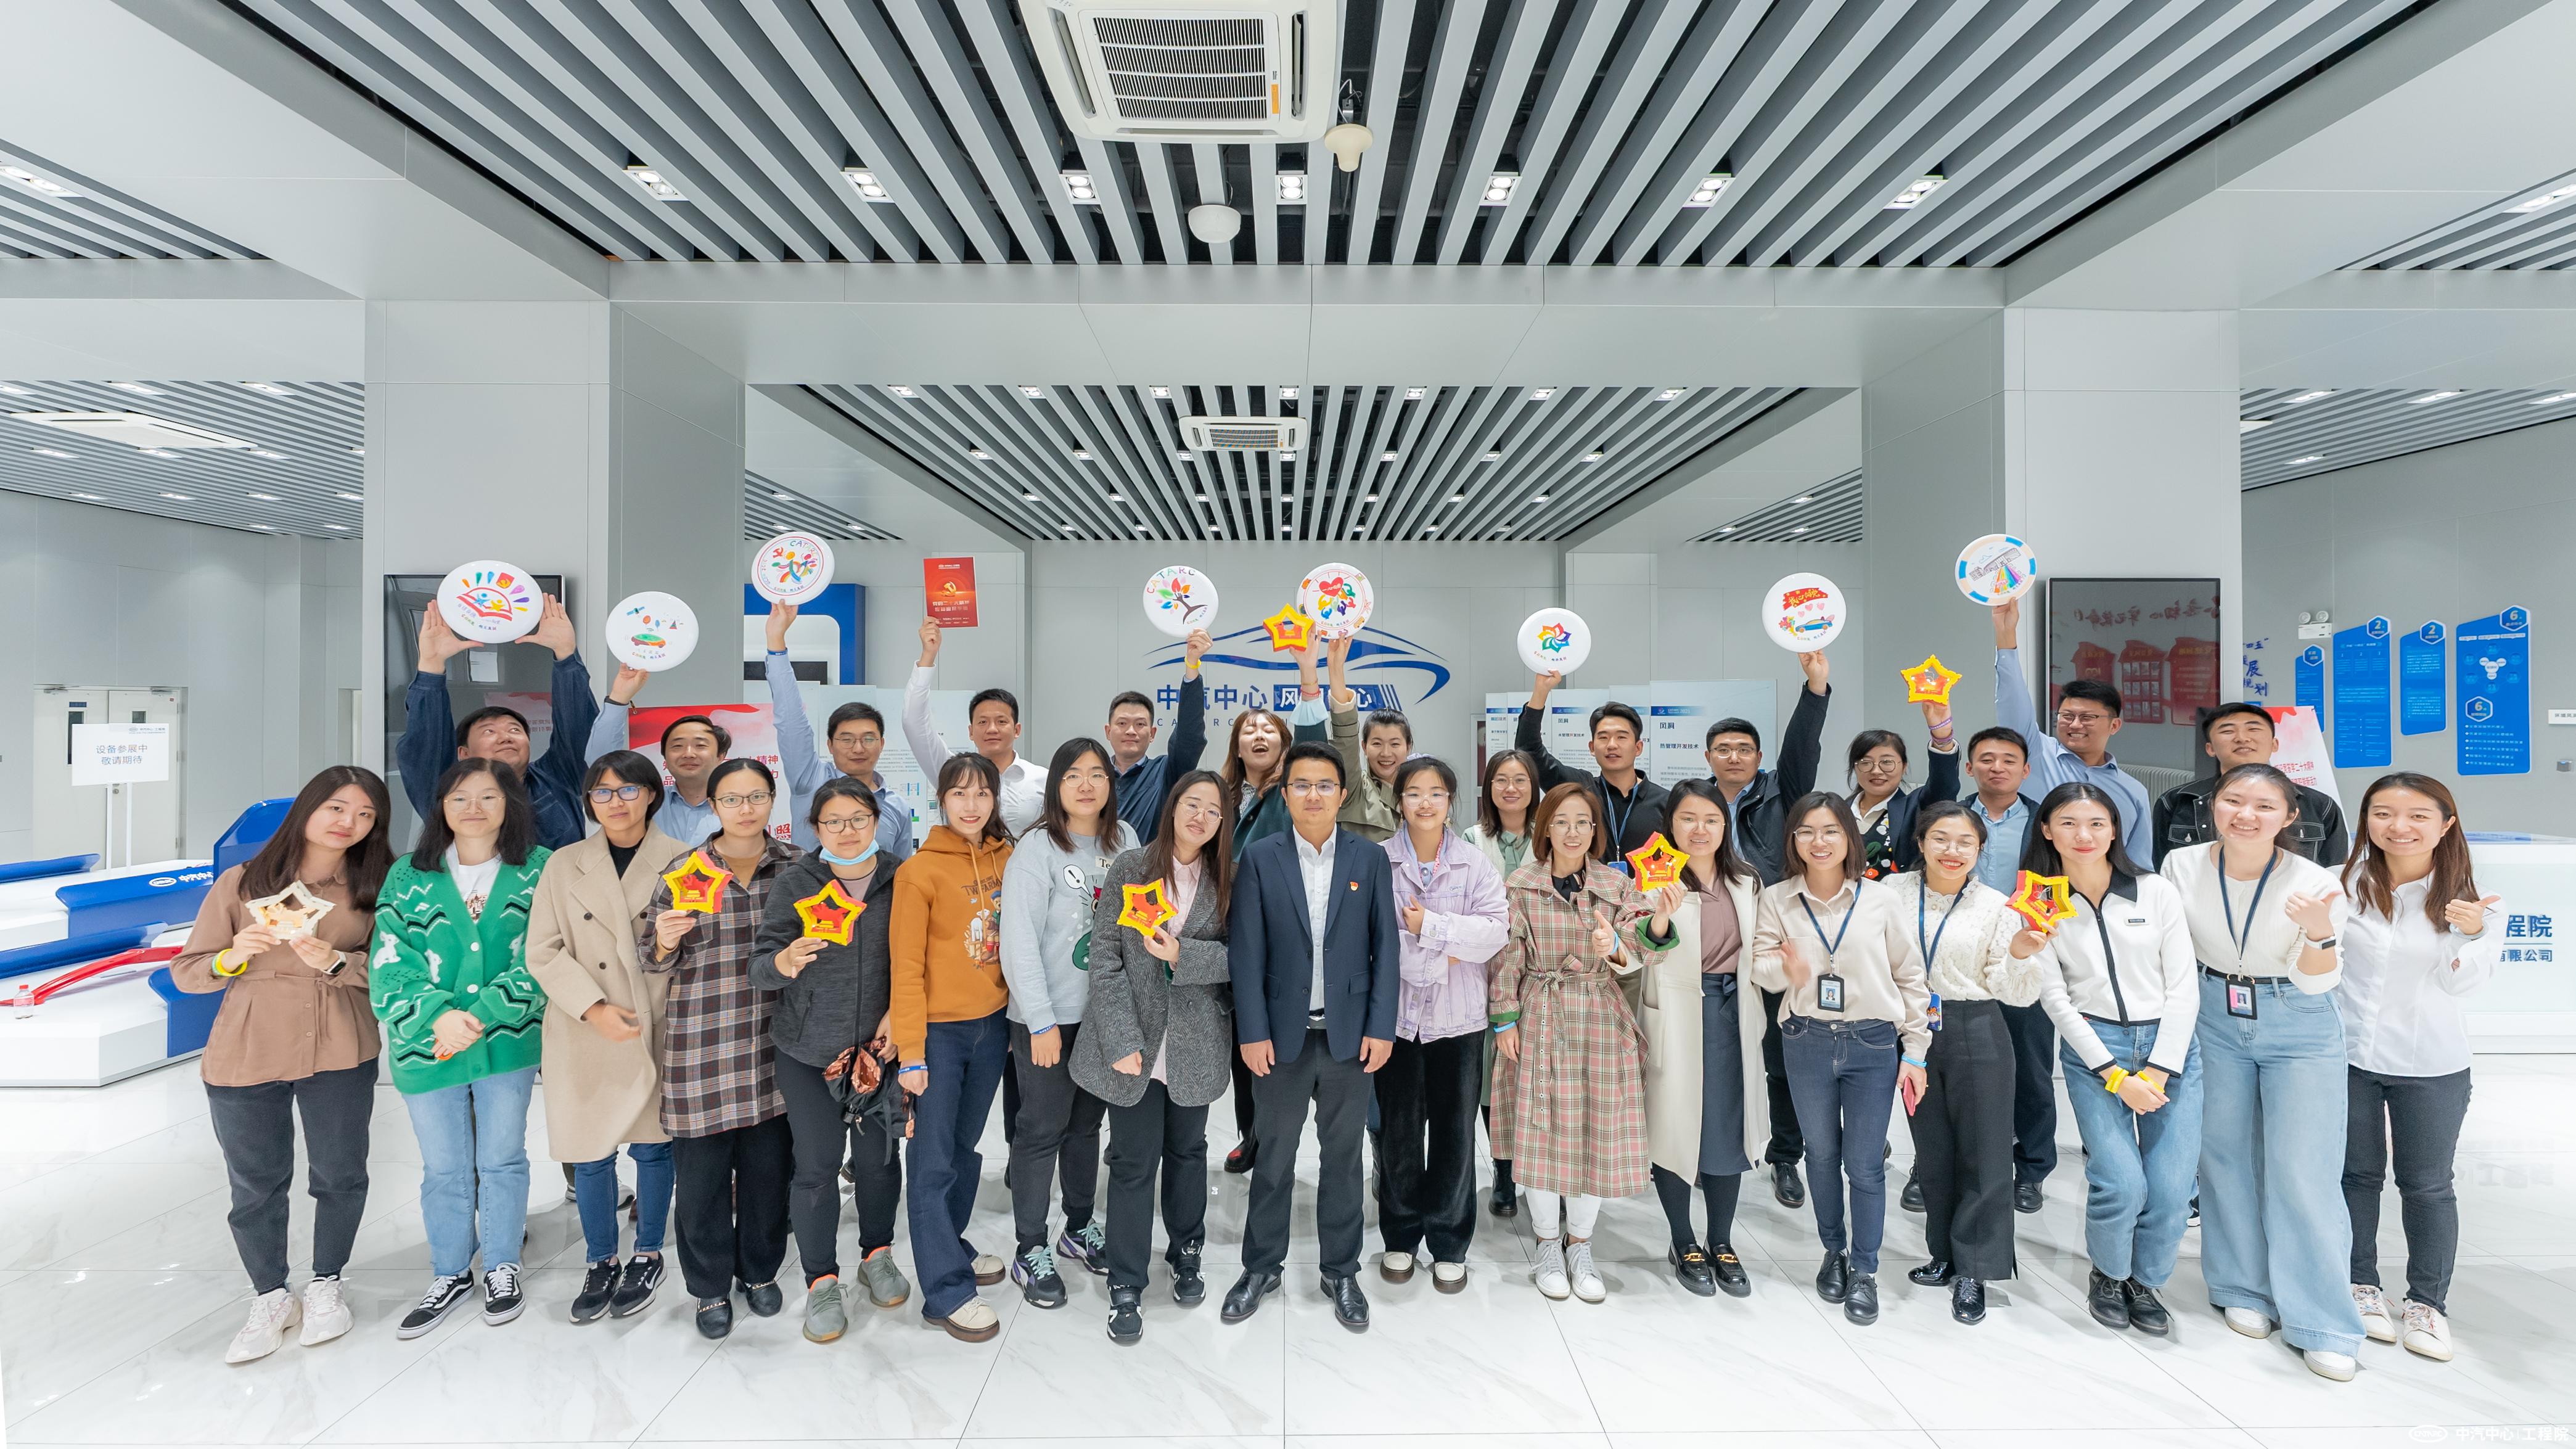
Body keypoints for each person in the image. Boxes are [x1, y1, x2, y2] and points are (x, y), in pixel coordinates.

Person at [174, 766, 392, 1365]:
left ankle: (327, 1283)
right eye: (337, 807)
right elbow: (187, 972)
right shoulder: (242, 883)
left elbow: (393, 971)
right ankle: (271, 1294)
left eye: (366, 814)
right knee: (255, 1184)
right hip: (247, 1049)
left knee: (340, 1173)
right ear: (308, 809)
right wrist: (230, 958)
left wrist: (338, 962)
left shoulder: (378, 886)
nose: (349, 822)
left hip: (341, 1045)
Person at [2162, 762, 2364, 1380]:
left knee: (2302, 1169)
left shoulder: (2317, 883)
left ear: (2289, 816)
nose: (2245, 815)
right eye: (2233, 801)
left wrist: (2318, 935)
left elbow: (2317, 981)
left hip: (2296, 1017)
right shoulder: (2180, 866)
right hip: (2212, 1013)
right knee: (2223, 1157)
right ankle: (2241, 1286)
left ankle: (2321, 1320)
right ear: (2213, 805)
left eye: (2263, 806)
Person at [1222, 741, 1400, 1331]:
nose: (1314, 795)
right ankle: (1260, 1267)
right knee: (1274, 1156)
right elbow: (1246, 953)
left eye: (1325, 785)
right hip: (1280, 1038)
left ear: (1342, 794)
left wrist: (1381, 1027)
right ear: (1285, 793)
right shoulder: (1261, 857)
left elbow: (1386, 949)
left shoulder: (1369, 859)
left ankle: (1341, 1270)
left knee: (1343, 1160)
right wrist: (1252, 1032)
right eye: (1302, 785)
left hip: (1350, 1038)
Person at [370, 758, 551, 1339]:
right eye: (460, 798)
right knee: (444, 1167)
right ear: (441, 807)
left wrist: (482, 1014)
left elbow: (548, 954)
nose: (474, 808)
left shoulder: (540, 869)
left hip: (508, 1043)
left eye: (489, 797)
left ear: (510, 805)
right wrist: (438, 1017)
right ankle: (449, 1272)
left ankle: (501, 1265)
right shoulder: (408, 875)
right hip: (427, 1047)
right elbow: (389, 959)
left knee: (503, 1159)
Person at [2022, 781, 2199, 1339]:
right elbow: (2055, 999)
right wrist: (2115, 1075)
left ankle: (2146, 1282)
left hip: (2171, 1048)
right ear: (2047, 830)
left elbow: (2184, 987)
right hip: (2095, 1049)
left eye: (2097, 823)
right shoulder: (2039, 902)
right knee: (2120, 1181)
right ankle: (2110, 1273)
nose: (2084, 835)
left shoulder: (2154, 891)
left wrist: (2160, 1069)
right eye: (2068, 823)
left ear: (2115, 829)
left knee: (2171, 1189)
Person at [1748, 792, 1930, 1327]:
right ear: (1793, 840)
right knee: (1821, 1155)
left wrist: (1916, 1051)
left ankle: (1866, 1269)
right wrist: (1787, 971)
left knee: (1865, 1163)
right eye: (1807, 831)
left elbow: (1911, 977)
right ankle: (1835, 1251)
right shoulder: (1777, 898)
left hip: (1873, 1041)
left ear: (1849, 838)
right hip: (1805, 1038)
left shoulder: (1881, 900)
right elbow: (1760, 967)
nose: (1819, 841)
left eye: (1830, 830)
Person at [1069, 770, 1237, 1344]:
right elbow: (1106, 958)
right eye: (1192, 804)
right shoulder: (1132, 867)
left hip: (1196, 1042)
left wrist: (1182, 954)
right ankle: (1126, 1281)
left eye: (1213, 810)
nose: (1200, 817)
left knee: (1189, 1153)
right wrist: (1120, 1041)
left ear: (1222, 822)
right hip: (1135, 1046)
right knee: (1133, 1162)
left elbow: (1240, 958)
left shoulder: (1228, 878)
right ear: (1173, 807)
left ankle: (1187, 1254)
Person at [1491, 782, 1676, 1303]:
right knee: (1541, 1132)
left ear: (1595, 830)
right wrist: (1505, 1022)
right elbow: (1506, 958)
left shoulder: (1616, 885)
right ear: (1545, 828)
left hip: (1599, 1016)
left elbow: (1646, 948)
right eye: (1562, 822)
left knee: (1597, 1131)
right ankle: (1548, 1244)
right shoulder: (1520, 885)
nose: (1572, 832)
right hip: (1540, 1015)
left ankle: (1581, 1245)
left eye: (1583, 822)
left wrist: (1624, 937)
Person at [2337, 772, 2497, 1365]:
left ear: (2446, 825)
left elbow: (2462, 987)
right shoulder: (2340, 886)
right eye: (2383, 813)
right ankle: (2360, 1285)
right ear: (2366, 820)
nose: (2398, 827)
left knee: (2427, 1185)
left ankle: (2428, 1303)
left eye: (2418, 816)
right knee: (2355, 1177)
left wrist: (2468, 934)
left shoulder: (2476, 902)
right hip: (2348, 1057)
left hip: (2432, 1062)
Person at [523, 752, 687, 1326]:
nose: (615, 802)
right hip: (583, 1023)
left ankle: (647, 1254)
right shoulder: (563, 863)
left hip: (654, 1018)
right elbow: (542, 950)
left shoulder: (685, 860)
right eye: (602, 792)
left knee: (653, 1146)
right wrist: (594, 1008)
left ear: (652, 794)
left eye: (628, 790)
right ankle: (600, 1259)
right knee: (590, 1150)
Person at [642, 757, 798, 1341]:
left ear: (772, 800)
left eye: (756, 796)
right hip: (702, 1047)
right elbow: (651, 957)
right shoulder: (685, 871)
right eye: (731, 799)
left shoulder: (798, 868)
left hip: (774, 1044)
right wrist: (663, 939)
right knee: (701, 1182)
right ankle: (708, 1287)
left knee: (768, 1173)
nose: (745, 809)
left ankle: (759, 1271)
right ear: (713, 806)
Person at [752, 777, 913, 1343]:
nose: (847, 831)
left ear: (877, 821)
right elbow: (760, 965)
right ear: (815, 828)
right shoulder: (797, 882)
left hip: (879, 1052)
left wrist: (899, 1014)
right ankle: (821, 1280)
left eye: (858, 819)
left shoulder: (901, 878)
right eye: (833, 822)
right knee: (817, 1166)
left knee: (879, 1161)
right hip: (808, 1052)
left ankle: (878, 1254)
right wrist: (785, 961)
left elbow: (918, 960)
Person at [1885, 802, 2046, 1324]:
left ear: (1980, 850)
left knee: (1985, 1152)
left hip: (1976, 1027)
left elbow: (2015, 992)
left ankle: (1975, 1268)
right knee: (1932, 1151)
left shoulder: (1997, 906)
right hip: (1910, 1030)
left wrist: (2020, 952)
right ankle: (1944, 1253)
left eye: (1965, 843)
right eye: (1940, 839)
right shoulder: (1890, 894)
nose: (1951, 851)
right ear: (1921, 842)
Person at [999, 738, 1139, 1307]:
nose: (1086, 785)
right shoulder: (1037, 848)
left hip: (1104, 1018)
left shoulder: (1125, 840)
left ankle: (1079, 1227)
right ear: (1056, 785)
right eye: (1073, 774)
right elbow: (1018, 943)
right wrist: (1039, 1022)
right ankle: (1030, 1246)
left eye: (1097, 774)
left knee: (1085, 1128)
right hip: (1048, 1019)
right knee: (1041, 1130)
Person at [891, 753, 1018, 1342]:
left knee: (965, 1149)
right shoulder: (919, 872)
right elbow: (905, 969)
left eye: (982, 793)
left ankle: (951, 1243)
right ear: (941, 799)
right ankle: (944, 1292)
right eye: (960, 793)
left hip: (992, 1027)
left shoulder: (1007, 857)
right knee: (932, 1159)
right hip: (939, 1035)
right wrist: (911, 1052)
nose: (972, 805)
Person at [1700, 651, 1831, 1212]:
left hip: (1775, 937)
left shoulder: (1783, 791)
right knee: (1716, 1056)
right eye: (1723, 748)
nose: (1734, 756)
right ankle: (1711, 1150)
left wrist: (1815, 686)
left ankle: (1784, 1156)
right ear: (1708, 756)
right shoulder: (1694, 801)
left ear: (1758, 757)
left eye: (1744, 749)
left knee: (1781, 1057)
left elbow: (1804, 744)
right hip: (1713, 944)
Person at [1376, 756, 1508, 1291]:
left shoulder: (1475, 864)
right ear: (1399, 802)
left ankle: (1450, 1242)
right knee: (1399, 1136)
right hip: (1398, 1023)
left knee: (1455, 1136)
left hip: (1459, 1023)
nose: (1425, 802)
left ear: (1451, 802)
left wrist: (1429, 925)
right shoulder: (1379, 861)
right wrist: (1448, 951)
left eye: (1436, 792)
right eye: (1414, 792)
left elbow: (1495, 933)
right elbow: (1379, 944)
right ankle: (1401, 1236)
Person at [1638, 779, 1765, 1300]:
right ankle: (1683, 1240)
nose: (1700, 829)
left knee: (1727, 1128)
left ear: (1724, 825)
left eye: (1711, 820)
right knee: (1674, 1124)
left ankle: (1722, 1240)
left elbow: (1761, 950)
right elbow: (1634, 951)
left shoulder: (1747, 881)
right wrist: (1660, 917)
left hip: (1734, 1014)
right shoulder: (1653, 879)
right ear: (1670, 824)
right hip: (1676, 1011)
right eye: (1688, 818)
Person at [1216, 644, 1329, 1173]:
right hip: (1230, 934)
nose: (1258, 735)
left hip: (1287, 934)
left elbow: (1314, 742)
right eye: (1249, 730)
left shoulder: (1292, 793)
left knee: (1291, 1043)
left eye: (1269, 729)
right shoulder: (1219, 795)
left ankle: (1287, 1136)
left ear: (1284, 744)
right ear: (1237, 745)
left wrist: (1309, 676)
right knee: (1247, 1042)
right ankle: (1252, 1135)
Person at [1948, 725, 2055, 1215]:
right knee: (1954, 1070)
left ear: (2025, 770)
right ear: (1970, 767)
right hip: (1958, 961)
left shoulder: (2045, 822)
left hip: (2023, 955)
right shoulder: (1949, 819)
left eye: (2009, 760)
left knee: (2030, 1068)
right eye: (1986, 759)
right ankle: (1943, 1164)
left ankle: (2031, 1169)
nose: (1997, 767)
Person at [398, 597, 597, 849]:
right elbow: (426, 744)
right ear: (464, 753)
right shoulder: (448, 790)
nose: (506, 737)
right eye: (489, 731)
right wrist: (431, 667)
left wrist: (566, 656)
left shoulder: (556, 777)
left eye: (515, 730)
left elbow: (577, 729)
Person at [1990, 598, 2152, 863]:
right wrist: (2006, 636)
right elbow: (2012, 704)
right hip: (2037, 884)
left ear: (2114, 725)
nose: (2075, 725)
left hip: (2102, 887)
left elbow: (2139, 861)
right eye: (2067, 716)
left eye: (2087, 718)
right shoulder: (2036, 754)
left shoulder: (2133, 792)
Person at [760, 601, 915, 858]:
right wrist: (776, 642)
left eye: (868, 739)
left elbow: (902, 871)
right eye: (847, 739)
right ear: (830, 745)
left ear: (882, 744)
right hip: (810, 885)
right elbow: (791, 721)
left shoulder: (897, 807)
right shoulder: (811, 779)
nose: (858, 748)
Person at [1464, 748, 1540, 1217]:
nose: (1510, 789)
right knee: (1494, 1075)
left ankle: (1542, 1167)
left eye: (1520, 780)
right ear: (1488, 788)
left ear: (1534, 787)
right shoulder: (1472, 839)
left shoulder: (1550, 838)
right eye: (1501, 780)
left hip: (1542, 973)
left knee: (1539, 1070)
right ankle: (1504, 1170)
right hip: (1485, 971)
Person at [2152, 702, 2350, 867]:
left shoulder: (2319, 805)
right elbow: (2163, 871)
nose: (2242, 738)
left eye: (2254, 729)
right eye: (2228, 731)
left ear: (2274, 744)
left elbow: (2333, 874)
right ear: (2210, 748)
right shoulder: (2176, 802)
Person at [906, 617, 1048, 835]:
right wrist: (928, 656)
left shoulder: (1043, 779)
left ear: (1017, 730)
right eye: (982, 722)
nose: (992, 729)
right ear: (971, 732)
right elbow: (914, 723)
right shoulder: (952, 771)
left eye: (1001, 721)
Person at [1515, 671, 1667, 861]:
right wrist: (1541, 691)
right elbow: (1528, 751)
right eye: (1603, 737)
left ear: (1638, 748)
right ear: (1592, 748)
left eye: (1621, 737)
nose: (1612, 745)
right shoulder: (1580, 789)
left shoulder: (1665, 802)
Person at [585, 683, 731, 859]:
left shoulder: (738, 805)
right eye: (677, 746)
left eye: (700, 746)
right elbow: (602, 763)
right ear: (665, 758)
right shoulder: (646, 801)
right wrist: (619, 699)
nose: (689, 754)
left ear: (720, 756)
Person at [1107, 628, 1212, 841]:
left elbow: (1189, 735)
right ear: (1108, 732)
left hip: (1151, 863)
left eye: (1140, 724)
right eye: (1122, 723)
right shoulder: (1096, 774)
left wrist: (1192, 666)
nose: (1131, 731)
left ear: (1152, 733)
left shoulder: (1166, 772)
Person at [1844, 695, 1961, 879]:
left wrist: (1942, 737)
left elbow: (1944, 785)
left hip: (1896, 897)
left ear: (1904, 767)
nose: (1876, 771)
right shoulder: (1838, 811)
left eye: (1887, 762)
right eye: (1866, 763)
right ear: (1854, 767)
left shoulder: (1916, 808)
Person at [1328, 634, 1408, 842]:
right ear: (1364, 747)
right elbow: (1345, 736)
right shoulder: (1355, 789)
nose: (1386, 753)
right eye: (1377, 744)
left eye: (1395, 744)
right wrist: (1336, 669)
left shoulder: (1418, 792)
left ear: (1408, 747)